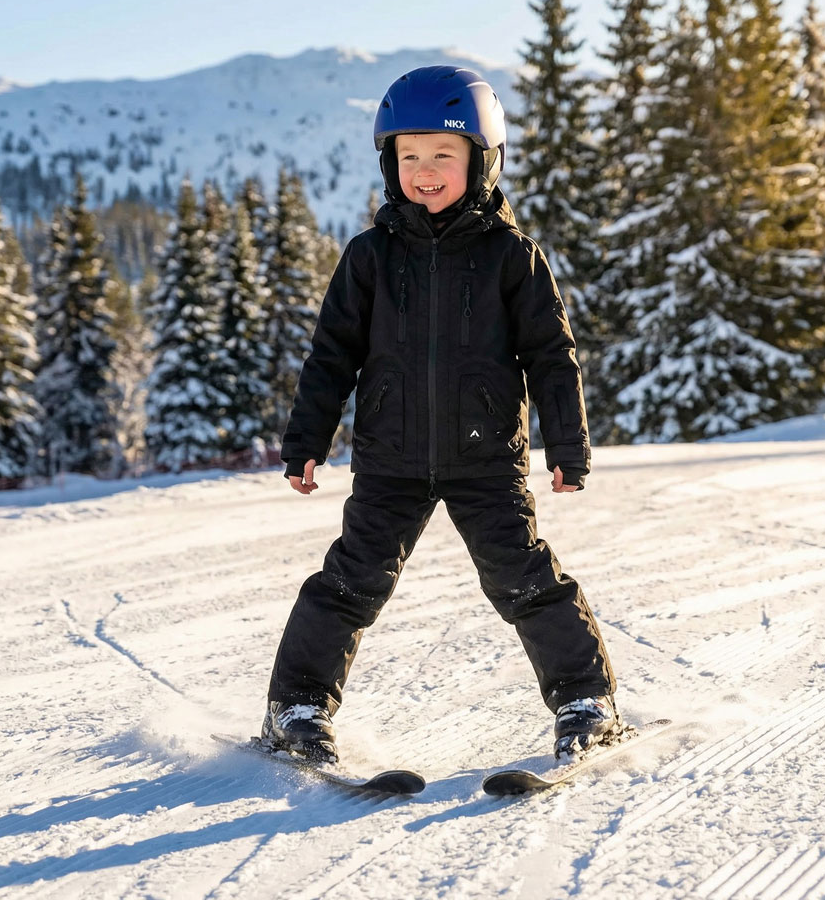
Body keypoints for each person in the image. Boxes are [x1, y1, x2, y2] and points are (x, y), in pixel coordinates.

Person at [262, 65, 617, 764]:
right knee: (349, 583)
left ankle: (586, 701)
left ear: (483, 161)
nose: (424, 172)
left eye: (443, 155)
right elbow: (331, 355)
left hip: (487, 459)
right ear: (390, 165)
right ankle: (296, 708)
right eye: (409, 157)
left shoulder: (512, 257)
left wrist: (567, 446)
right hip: (389, 459)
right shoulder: (369, 257)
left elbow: (552, 356)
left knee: (524, 579)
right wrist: (307, 438)